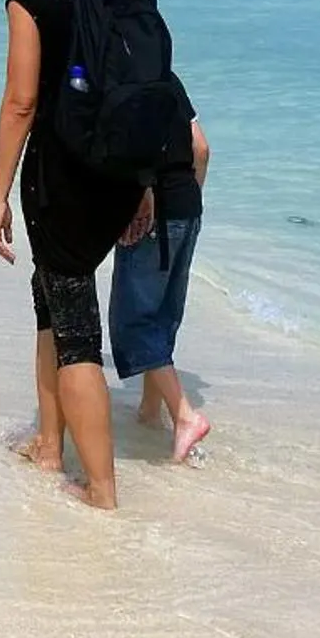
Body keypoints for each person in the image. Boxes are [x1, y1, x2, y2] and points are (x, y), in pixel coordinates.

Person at [0, 0, 187, 510]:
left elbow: (20, 102)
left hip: (62, 178)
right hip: (123, 175)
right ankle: (50, 446)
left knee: (75, 331)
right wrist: (147, 182)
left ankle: (101, 492)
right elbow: (151, 92)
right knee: (50, 298)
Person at [110, 114, 213, 463]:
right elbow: (201, 149)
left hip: (152, 215)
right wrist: (190, 199)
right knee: (162, 316)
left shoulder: (129, 84)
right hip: (188, 207)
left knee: (133, 322)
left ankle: (184, 415)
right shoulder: (171, 86)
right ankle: (150, 412)